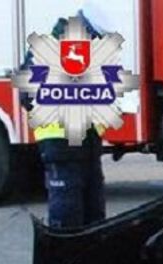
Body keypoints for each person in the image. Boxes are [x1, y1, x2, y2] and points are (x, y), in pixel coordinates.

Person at [22, 1, 115, 229]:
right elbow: (27, 96)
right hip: (61, 146)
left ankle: (89, 263)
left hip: (88, 147)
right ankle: (63, 263)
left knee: (94, 218)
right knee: (67, 216)